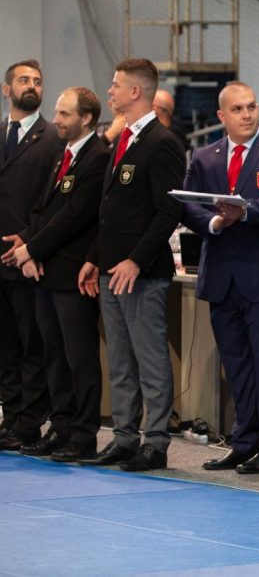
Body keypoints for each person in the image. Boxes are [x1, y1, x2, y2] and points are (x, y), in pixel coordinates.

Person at [181, 81, 259, 474]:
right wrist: (215, 223)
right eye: (237, 109)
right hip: (222, 276)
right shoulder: (205, 156)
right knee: (236, 364)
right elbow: (188, 205)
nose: (247, 114)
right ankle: (244, 442)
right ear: (221, 115)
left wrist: (247, 211)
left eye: (251, 107)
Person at [78, 58, 186, 472]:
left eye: (115, 85)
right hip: (111, 269)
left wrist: (136, 260)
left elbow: (168, 210)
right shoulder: (124, 138)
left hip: (141, 273)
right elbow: (110, 210)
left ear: (135, 92)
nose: (110, 91)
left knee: (149, 358)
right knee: (121, 360)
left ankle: (155, 441)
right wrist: (95, 258)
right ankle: (125, 436)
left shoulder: (162, 142)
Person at [6, 87, 108, 462]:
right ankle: (61, 426)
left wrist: (31, 250)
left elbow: (74, 216)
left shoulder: (98, 157)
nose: (57, 120)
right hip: (46, 272)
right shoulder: (63, 153)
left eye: (65, 114)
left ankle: (83, 434)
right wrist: (29, 248)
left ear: (86, 117)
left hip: (73, 275)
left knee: (79, 358)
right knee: (54, 356)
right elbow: (42, 210)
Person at [0, 59, 61, 451]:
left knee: (31, 344)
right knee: (5, 345)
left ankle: (29, 422)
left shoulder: (52, 137)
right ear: (7, 89)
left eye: (38, 81)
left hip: (29, 255)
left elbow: (51, 200)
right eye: (24, 80)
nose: (32, 86)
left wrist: (27, 240)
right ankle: (11, 416)